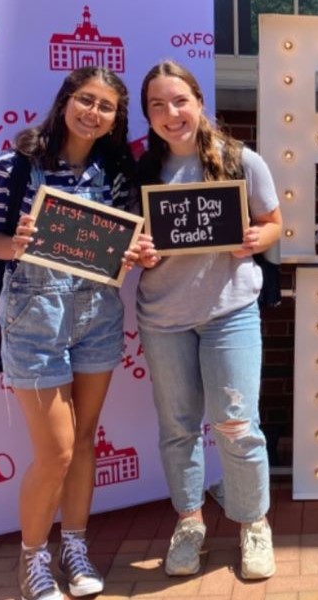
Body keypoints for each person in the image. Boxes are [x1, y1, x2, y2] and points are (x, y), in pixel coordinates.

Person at [0, 67, 146, 600]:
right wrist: (9, 245)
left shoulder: (118, 170)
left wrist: (138, 250)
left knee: (84, 443)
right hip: (34, 316)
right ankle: (34, 560)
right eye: (85, 100)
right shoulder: (13, 164)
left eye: (106, 106)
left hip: (97, 311)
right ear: (66, 100)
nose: (92, 112)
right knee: (55, 453)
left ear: (116, 119)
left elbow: (123, 240)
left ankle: (74, 546)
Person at [135, 60, 282, 580]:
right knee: (178, 429)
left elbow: (273, 224)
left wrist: (255, 240)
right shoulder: (140, 168)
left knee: (238, 426)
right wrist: (139, 251)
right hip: (164, 319)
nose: (171, 113)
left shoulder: (240, 160)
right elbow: (127, 242)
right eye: (158, 105)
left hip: (230, 313)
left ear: (199, 102)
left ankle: (252, 523)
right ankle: (190, 522)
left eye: (180, 101)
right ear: (148, 114)